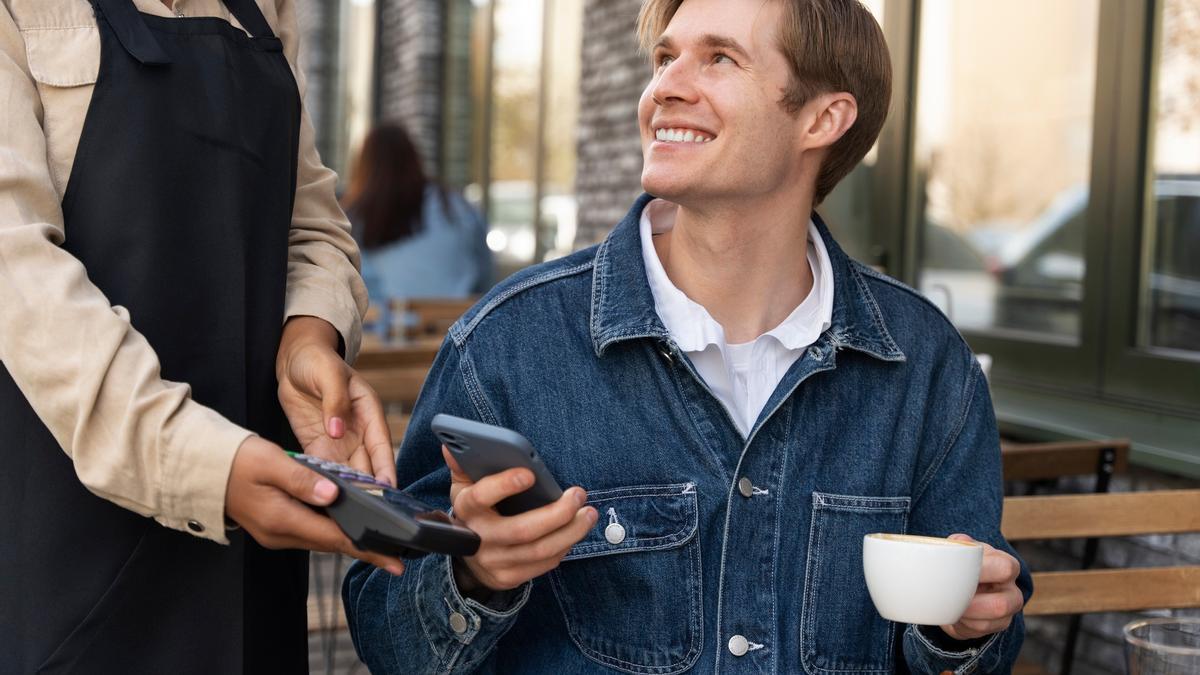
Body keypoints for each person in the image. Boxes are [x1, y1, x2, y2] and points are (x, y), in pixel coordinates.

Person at [344, 0, 1032, 672]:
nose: (664, 87)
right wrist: (472, 576)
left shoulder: (927, 363)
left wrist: (965, 634)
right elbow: (386, 636)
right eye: (666, 57)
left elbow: (972, 643)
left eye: (719, 59)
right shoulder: (506, 344)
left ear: (823, 117)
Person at [0, 1, 403, 673]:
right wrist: (205, 468)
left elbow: (313, 225)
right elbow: (16, 273)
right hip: (72, 550)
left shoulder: (268, 11)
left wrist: (309, 338)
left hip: (257, 537)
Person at [343, 123, 493, 319]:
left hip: (390, 333)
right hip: (459, 327)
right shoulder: (455, 206)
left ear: (363, 165)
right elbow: (486, 276)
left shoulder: (353, 218)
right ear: (415, 159)